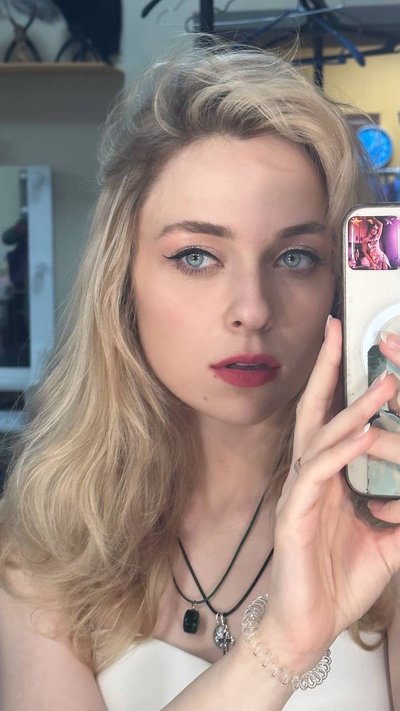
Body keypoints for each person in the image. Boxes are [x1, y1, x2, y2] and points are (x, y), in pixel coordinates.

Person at [1, 39, 400, 711]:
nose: (252, 309)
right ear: (123, 281)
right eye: (196, 256)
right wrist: (283, 645)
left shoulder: (386, 518)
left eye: (296, 257)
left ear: (338, 282)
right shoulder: (47, 542)